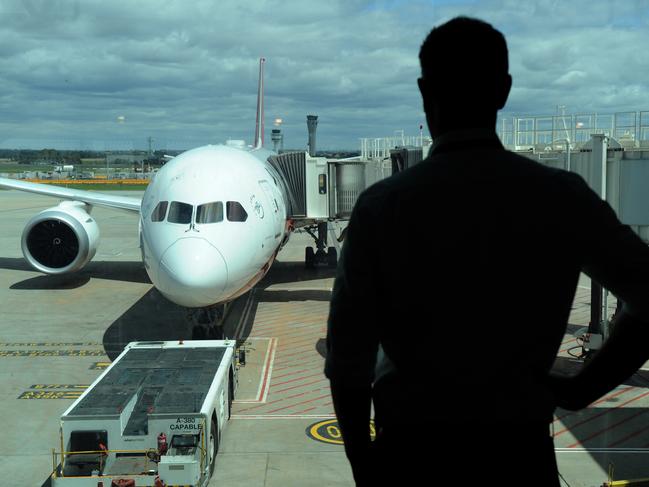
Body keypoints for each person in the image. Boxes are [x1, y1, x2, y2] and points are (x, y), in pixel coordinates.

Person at [325, 16, 649, 486]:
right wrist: (583, 388)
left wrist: (364, 467)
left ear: (424, 91)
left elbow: (348, 363)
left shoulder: (381, 208)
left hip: (413, 455)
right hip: (517, 456)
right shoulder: (560, 196)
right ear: (504, 90)